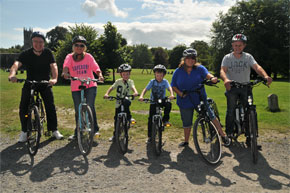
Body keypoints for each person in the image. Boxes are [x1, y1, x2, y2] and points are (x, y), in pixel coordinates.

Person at [8, 31, 63, 142]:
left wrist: (54, 78)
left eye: (41, 42)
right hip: (30, 83)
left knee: (50, 106)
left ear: (44, 43)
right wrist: (12, 74)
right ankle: (24, 131)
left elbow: (54, 66)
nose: (38, 44)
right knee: (24, 106)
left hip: (44, 83)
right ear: (32, 42)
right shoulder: (26, 53)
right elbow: (16, 64)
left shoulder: (48, 53)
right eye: (35, 42)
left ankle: (54, 130)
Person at [220, 34, 272, 147]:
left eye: (240, 45)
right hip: (232, 88)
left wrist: (266, 76)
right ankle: (228, 136)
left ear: (244, 46)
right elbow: (222, 71)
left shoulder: (248, 57)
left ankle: (251, 138)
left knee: (250, 111)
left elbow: (257, 67)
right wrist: (226, 80)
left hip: (246, 88)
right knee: (231, 111)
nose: (237, 47)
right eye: (235, 45)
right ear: (232, 45)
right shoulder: (227, 58)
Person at [171, 48, 229, 147]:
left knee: (211, 115)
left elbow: (207, 74)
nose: (191, 60)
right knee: (187, 121)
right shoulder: (178, 71)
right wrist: (180, 94)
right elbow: (173, 85)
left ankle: (223, 135)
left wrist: (212, 78)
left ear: (195, 59)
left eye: (193, 58)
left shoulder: (200, 68)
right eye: (188, 58)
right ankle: (186, 141)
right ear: (184, 59)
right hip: (185, 99)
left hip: (199, 97)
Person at [62, 35, 104, 140]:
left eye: (82, 45)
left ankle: (95, 130)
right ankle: (78, 132)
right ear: (73, 46)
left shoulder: (88, 56)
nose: (79, 47)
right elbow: (66, 66)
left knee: (90, 106)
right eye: (77, 45)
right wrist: (65, 72)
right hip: (76, 86)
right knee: (78, 109)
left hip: (90, 85)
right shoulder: (69, 57)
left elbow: (95, 67)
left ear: (84, 47)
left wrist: (99, 75)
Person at [139, 64, 175, 143]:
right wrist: (141, 96)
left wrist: (171, 94)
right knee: (150, 119)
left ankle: (165, 120)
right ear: (155, 75)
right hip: (153, 101)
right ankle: (150, 136)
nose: (159, 77)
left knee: (168, 103)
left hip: (161, 101)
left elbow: (169, 88)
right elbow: (146, 89)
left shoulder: (165, 82)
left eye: (161, 75)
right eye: (157, 75)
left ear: (164, 75)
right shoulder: (152, 81)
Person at [104, 63, 139, 142]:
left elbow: (133, 88)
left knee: (126, 102)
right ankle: (115, 135)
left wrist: (135, 92)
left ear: (129, 74)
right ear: (121, 74)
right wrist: (107, 94)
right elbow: (111, 88)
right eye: (124, 74)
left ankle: (129, 118)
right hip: (118, 103)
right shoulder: (118, 81)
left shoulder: (130, 82)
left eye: (127, 74)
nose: (126, 76)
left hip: (126, 100)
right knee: (116, 119)